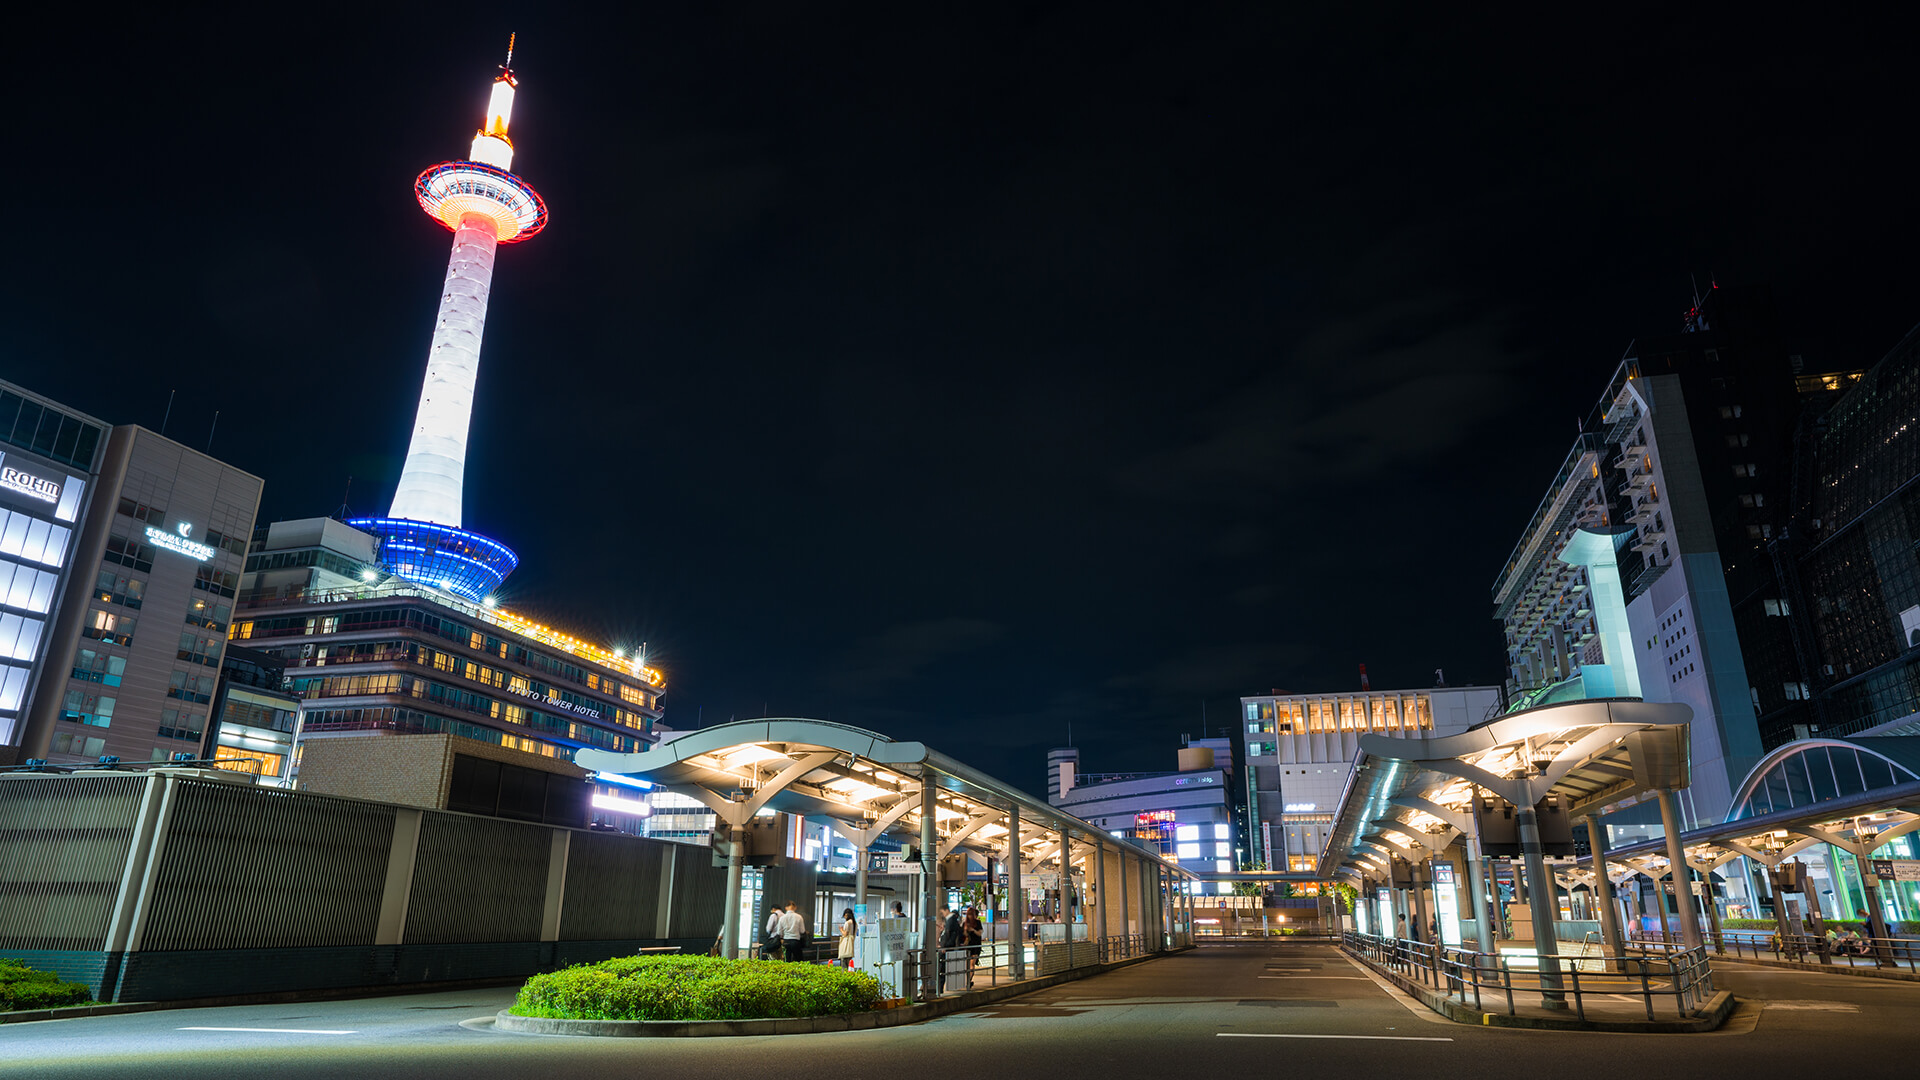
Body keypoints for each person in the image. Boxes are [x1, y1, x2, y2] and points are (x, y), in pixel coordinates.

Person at [963, 906, 984, 984]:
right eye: (968, 914)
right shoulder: (965, 923)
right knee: (967, 964)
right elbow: (963, 935)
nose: (970, 916)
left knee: (972, 963)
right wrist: (965, 930)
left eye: (971, 914)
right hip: (968, 945)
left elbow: (980, 933)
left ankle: (969, 980)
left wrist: (973, 930)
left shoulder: (977, 922)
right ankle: (968, 980)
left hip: (975, 945)